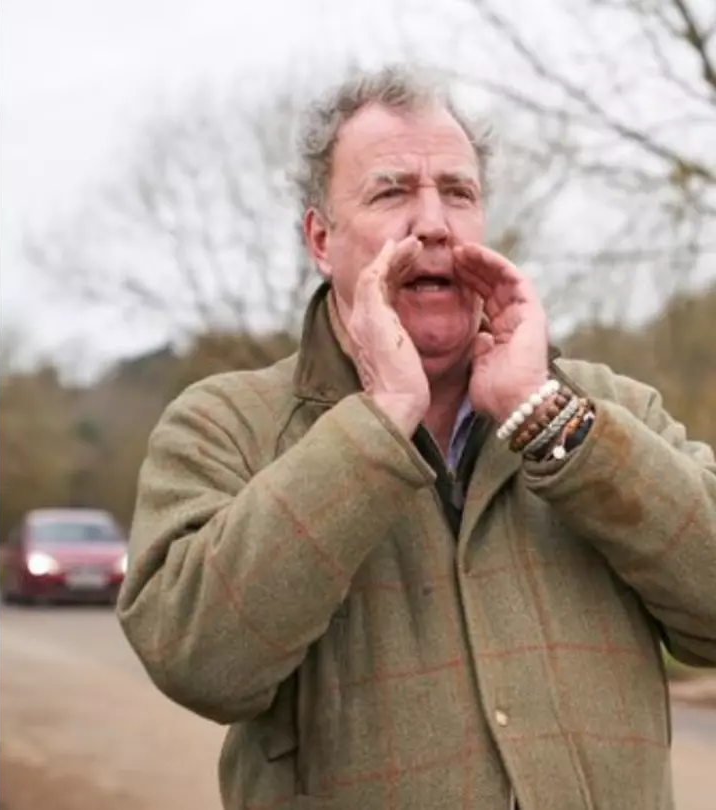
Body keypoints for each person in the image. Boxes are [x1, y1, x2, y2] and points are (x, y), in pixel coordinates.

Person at [117, 65, 716, 809]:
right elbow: (199, 661)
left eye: (459, 193)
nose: (434, 223)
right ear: (319, 238)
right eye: (391, 190)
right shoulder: (222, 424)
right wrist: (377, 423)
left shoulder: (608, 405)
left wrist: (546, 419)